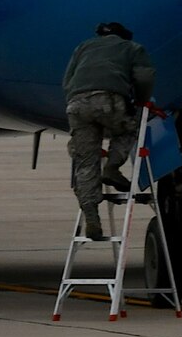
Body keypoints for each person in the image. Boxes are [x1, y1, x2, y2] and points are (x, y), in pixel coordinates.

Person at [60, 22, 156, 240]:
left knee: (85, 162)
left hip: (77, 104)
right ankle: (112, 168)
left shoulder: (84, 47)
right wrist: (140, 102)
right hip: (108, 99)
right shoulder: (132, 48)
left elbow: (67, 81)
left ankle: (91, 215)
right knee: (129, 128)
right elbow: (145, 77)